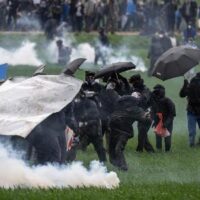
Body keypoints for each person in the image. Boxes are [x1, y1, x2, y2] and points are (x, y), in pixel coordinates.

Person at [108, 95, 151, 171]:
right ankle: (118, 164)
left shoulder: (135, 110)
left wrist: (147, 116)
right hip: (113, 131)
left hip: (124, 132)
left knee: (118, 149)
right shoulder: (118, 107)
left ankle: (123, 167)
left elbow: (145, 119)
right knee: (111, 151)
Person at [129, 74, 155, 153]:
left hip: (148, 112)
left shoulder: (145, 89)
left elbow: (144, 100)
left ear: (136, 81)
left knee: (142, 132)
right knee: (142, 132)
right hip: (140, 113)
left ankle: (140, 150)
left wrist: (137, 97)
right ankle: (149, 151)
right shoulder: (134, 89)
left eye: (133, 83)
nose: (132, 85)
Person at [151, 84, 176, 151]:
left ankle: (167, 151)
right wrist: (154, 121)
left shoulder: (168, 101)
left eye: (157, 90)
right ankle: (159, 150)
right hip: (158, 121)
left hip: (167, 120)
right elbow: (154, 111)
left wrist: (167, 123)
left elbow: (172, 114)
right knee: (158, 137)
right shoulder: (155, 101)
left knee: (167, 137)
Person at [179, 72, 200, 147]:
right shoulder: (191, 84)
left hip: (191, 111)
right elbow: (182, 94)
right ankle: (192, 144)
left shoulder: (191, 84)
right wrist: (185, 84)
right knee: (192, 131)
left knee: (192, 131)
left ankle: (192, 144)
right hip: (192, 110)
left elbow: (182, 94)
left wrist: (185, 84)